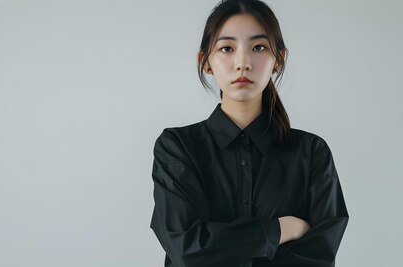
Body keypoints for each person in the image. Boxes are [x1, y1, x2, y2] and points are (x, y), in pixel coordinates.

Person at [149, 0, 349, 266]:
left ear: (279, 59)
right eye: (227, 48)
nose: (242, 62)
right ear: (205, 62)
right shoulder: (177, 147)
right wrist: (280, 229)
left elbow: (318, 258)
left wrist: (219, 246)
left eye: (258, 47)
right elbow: (186, 250)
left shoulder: (312, 152)